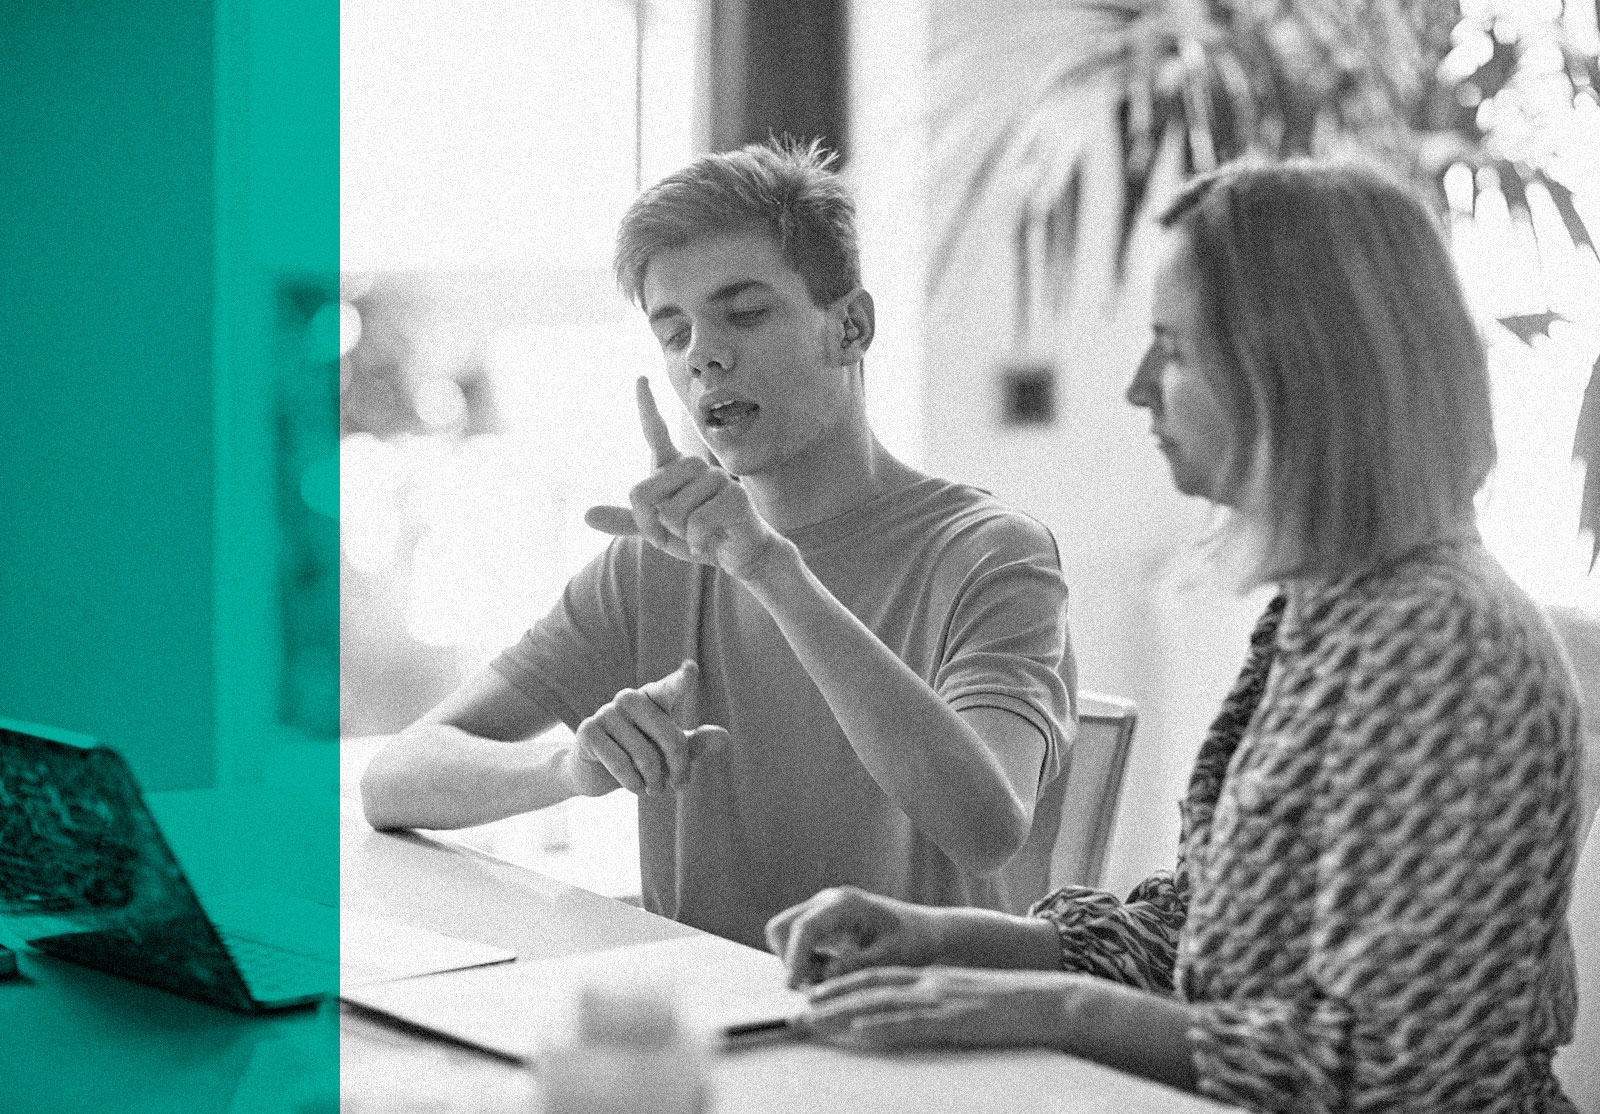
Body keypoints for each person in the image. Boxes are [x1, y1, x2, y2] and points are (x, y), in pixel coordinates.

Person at [766, 159, 1584, 1112]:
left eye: (1176, 350)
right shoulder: (1328, 609)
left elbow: (1377, 1070)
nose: (1138, 387)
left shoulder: (1440, 644)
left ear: (1299, 372)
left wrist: (1050, 1008)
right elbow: (1211, 935)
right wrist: (955, 941)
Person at [360, 139, 1079, 950]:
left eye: (745, 312)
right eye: (674, 332)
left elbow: (986, 828)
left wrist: (770, 568)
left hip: (917, 1031)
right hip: (708, 1018)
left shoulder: (991, 555)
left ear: (850, 326)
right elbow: (394, 780)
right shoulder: (652, 563)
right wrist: (567, 771)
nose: (704, 353)